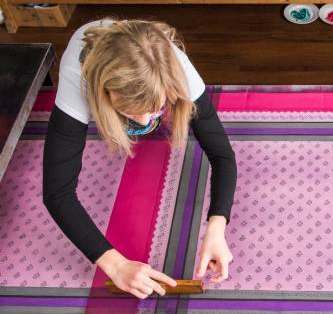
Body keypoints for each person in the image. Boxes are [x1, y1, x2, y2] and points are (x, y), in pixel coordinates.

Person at [42, 18, 237, 299]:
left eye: (156, 108)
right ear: (104, 96)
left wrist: (217, 227)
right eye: (132, 111)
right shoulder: (78, 80)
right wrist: (116, 264)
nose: (146, 121)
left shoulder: (179, 69)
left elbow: (221, 154)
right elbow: (57, 193)